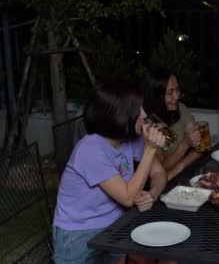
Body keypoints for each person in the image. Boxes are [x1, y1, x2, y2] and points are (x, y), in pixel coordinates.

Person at [52, 81, 167, 264]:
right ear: (120, 113)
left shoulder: (130, 138)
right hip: (78, 233)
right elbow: (128, 198)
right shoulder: (89, 149)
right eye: (138, 109)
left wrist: (152, 195)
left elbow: (159, 173)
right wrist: (150, 149)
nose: (145, 115)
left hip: (115, 224)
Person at [142, 68, 202, 180]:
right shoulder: (148, 125)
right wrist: (185, 144)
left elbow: (202, 146)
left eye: (177, 90)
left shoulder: (181, 109)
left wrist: (178, 168)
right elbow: (161, 169)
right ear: (156, 95)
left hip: (183, 173)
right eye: (170, 92)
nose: (177, 96)